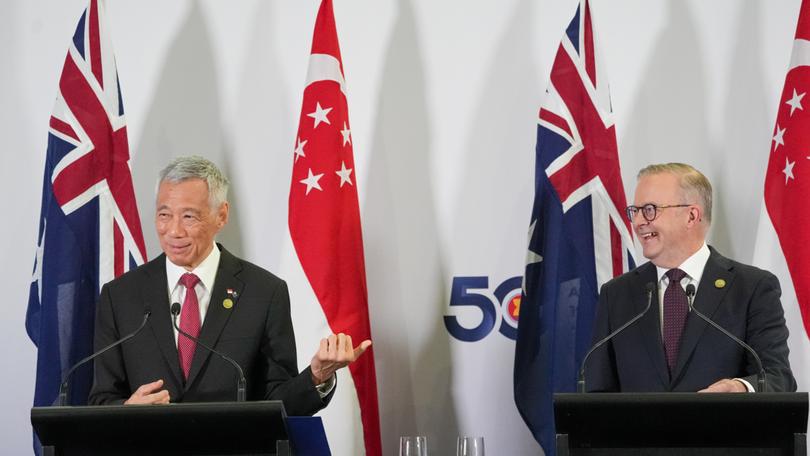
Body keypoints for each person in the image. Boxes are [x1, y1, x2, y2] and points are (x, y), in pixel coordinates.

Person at [88, 156, 370, 415]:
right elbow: (102, 398)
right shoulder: (120, 296)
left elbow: (278, 401)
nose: (173, 231)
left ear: (221, 215)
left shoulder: (264, 293)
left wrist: (317, 376)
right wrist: (125, 409)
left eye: (189, 216)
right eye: (164, 215)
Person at [586, 163, 795, 393]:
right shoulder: (616, 294)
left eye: (649, 209)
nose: (637, 222)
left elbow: (778, 378)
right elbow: (598, 391)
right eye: (634, 211)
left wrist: (740, 388)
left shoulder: (752, 288)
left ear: (691, 215)